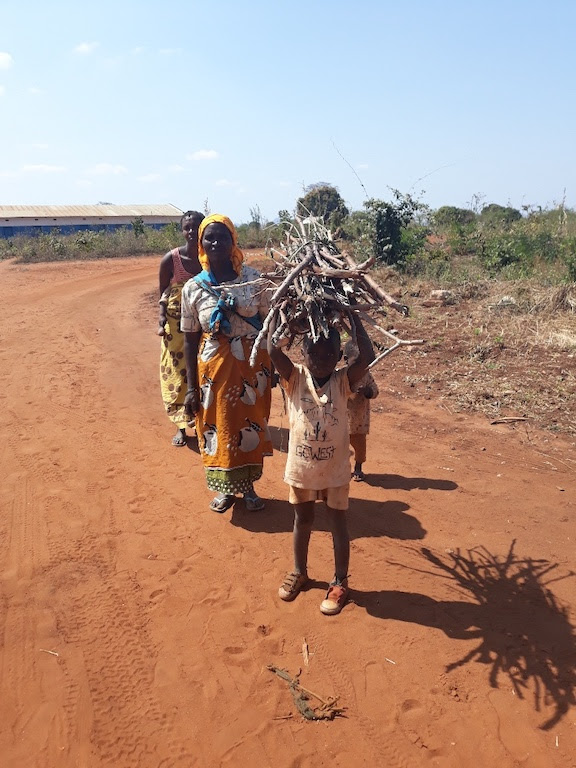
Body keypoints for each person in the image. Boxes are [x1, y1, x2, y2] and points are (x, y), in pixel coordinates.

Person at [268, 313, 374, 615]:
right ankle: (299, 571)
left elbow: (367, 356)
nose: (321, 360)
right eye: (314, 353)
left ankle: (340, 580)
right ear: (303, 353)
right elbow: (273, 350)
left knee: (337, 523)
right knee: (302, 520)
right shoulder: (295, 378)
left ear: (339, 356)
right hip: (302, 468)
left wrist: (352, 316)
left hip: (335, 470)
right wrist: (285, 319)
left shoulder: (343, 381)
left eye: (330, 354)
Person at [181, 214, 273, 512]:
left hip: (252, 367)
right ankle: (224, 490)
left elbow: (269, 324)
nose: (216, 243)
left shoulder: (254, 280)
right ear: (201, 243)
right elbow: (189, 340)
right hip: (213, 370)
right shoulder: (193, 289)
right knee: (217, 424)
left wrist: (275, 367)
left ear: (233, 241)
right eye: (209, 237)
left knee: (250, 425)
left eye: (223, 236)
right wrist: (191, 388)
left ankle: (248, 488)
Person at [158, 210, 205, 446]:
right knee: (179, 372)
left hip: (205, 323)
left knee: (203, 370)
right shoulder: (171, 259)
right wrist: (162, 319)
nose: (191, 232)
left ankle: (203, 423)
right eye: (187, 227)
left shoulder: (211, 256)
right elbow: (163, 292)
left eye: (196, 227)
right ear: (182, 230)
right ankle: (181, 427)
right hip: (176, 327)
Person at [343, 340, 380, 482]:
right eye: (356, 362)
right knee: (340, 448)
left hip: (359, 421)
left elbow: (375, 391)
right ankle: (341, 469)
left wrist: (367, 391)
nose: (361, 366)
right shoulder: (341, 376)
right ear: (346, 360)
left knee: (360, 448)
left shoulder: (366, 375)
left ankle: (358, 468)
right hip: (341, 422)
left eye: (363, 363)